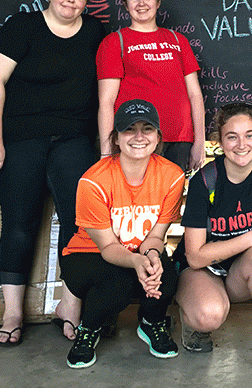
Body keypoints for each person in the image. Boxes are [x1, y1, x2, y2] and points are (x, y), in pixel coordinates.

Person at [0, 0, 107, 346]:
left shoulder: (95, 32)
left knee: (81, 224)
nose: (71, 0)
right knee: (19, 224)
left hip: (74, 138)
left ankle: (69, 307)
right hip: (20, 137)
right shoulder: (22, 26)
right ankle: (13, 313)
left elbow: (105, 91)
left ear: (87, 1)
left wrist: (104, 146)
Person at [60, 99, 185, 369]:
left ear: (158, 137)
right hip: (88, 254)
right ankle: (89, 329)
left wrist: (150, 258)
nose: (139, 137)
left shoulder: (172, 176)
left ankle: (152, 322)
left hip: (136, 251)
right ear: (116, 138)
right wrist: (136, 262)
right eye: (129, 130)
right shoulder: (94, 181)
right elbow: (107, 247)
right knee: (118, 286)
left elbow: (155, 237)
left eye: (147, 128)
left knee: (166, 273)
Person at [174, 103, 252, 369]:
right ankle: (191, 314)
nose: (242, 144)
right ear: (219, 140)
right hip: (202, 270)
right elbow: (195, 256)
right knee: (208, 315)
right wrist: (251, 238)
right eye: (232, 136)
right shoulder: (205, 180)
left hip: (239, 270)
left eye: (250, 135)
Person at [96, 0, 205, 173]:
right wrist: (106, 151)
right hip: (136, 139)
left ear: (158, 2)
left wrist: (199, 142)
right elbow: (107, 100)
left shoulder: (177, 40)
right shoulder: (114, 42)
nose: (141, 3)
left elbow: (195, 94)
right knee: (137, 201)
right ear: (126, 5)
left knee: (171, 200)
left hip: (179, 139)